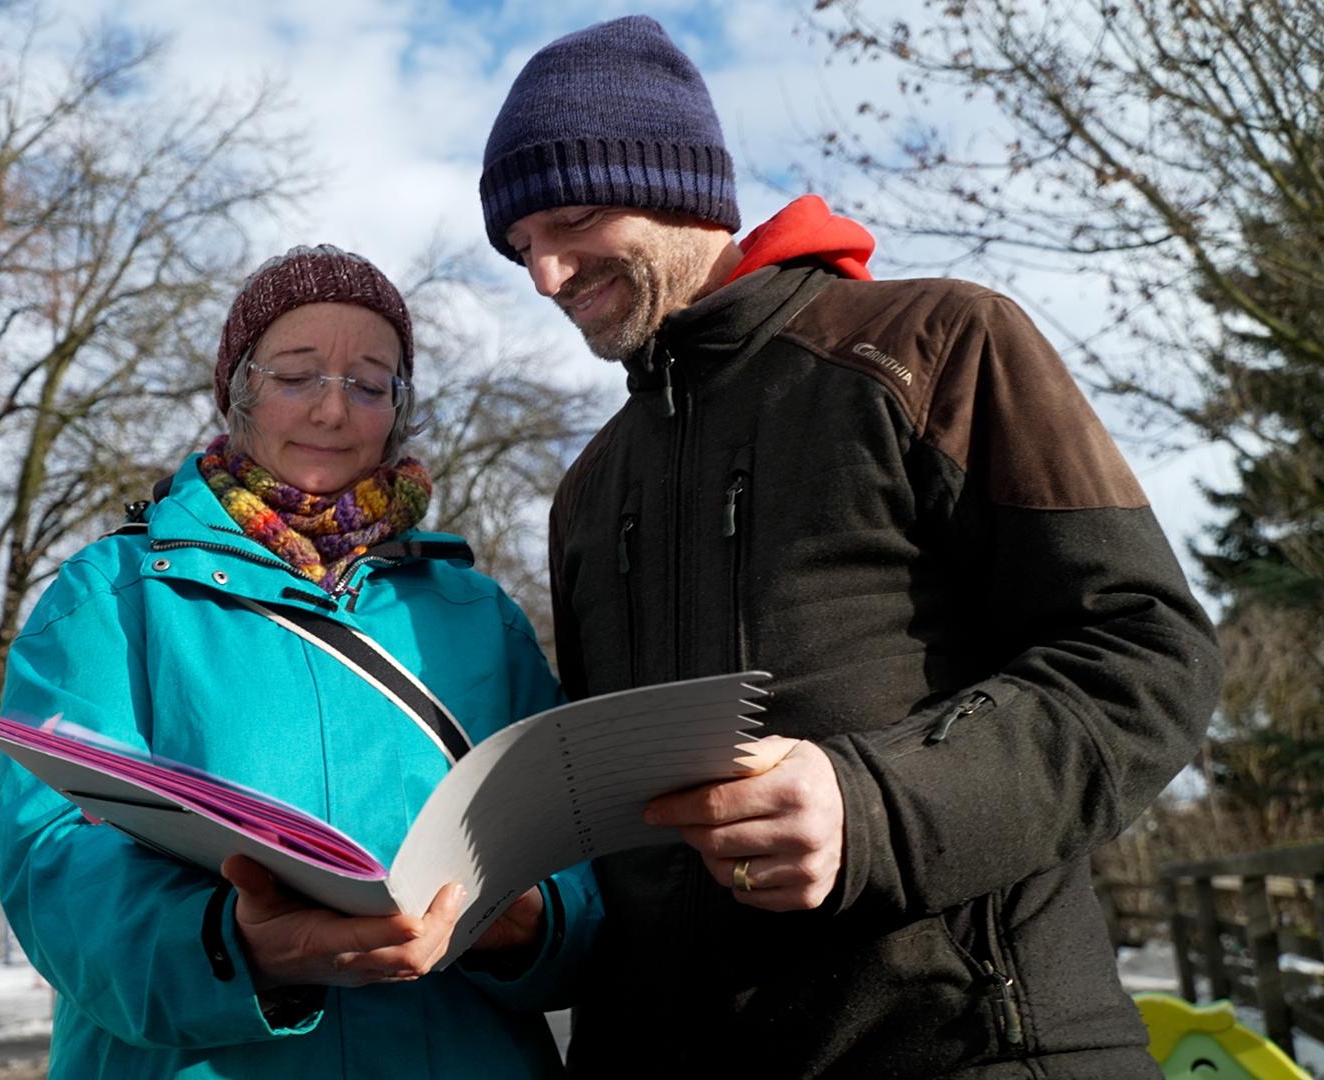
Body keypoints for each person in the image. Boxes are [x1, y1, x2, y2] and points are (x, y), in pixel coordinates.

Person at [478, 15, 1221, 1078]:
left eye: (575, 217)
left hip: (973, 1051)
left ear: (682, 185)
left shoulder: (939, 346)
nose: (546, 275)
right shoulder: (587, 491)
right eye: (520, 249)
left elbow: (1146, 657)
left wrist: (869, 807)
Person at [0, 244, 597, 1079]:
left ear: (399, 407)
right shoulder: (115, 597)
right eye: (297, 375)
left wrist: (529, 922)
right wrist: (235, 946)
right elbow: (54, 859)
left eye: (369, 383)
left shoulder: (478, 615)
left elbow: (578, 846)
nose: (332, 411)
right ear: (238, 393)